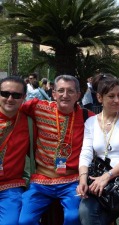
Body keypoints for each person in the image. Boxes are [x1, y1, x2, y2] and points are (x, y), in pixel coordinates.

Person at [18, 75, 95, 225]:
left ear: (78, 95)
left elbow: (108, 121)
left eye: (70, 91)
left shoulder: (87, 117)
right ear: (53, 93)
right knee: (25, 220)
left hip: (72, 182)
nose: (65, 95)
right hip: (41, 181)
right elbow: (11, 107)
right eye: (61, 91)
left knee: (73, 217)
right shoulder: (38, 107)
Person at [77, 74, 119, 225]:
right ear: (99, 97)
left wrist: (107, 177)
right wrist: (83, 179)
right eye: (111, 96)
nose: (117, 100)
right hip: (97, 179)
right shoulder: (91, 122)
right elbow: (85, 153)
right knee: (85, 212)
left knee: (93, 218)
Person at [0, 76, 29, 225]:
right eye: (5, 94)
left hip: (10, 186)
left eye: (16, 95)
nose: (10, 99)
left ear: (23, 97)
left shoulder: (29, 122)